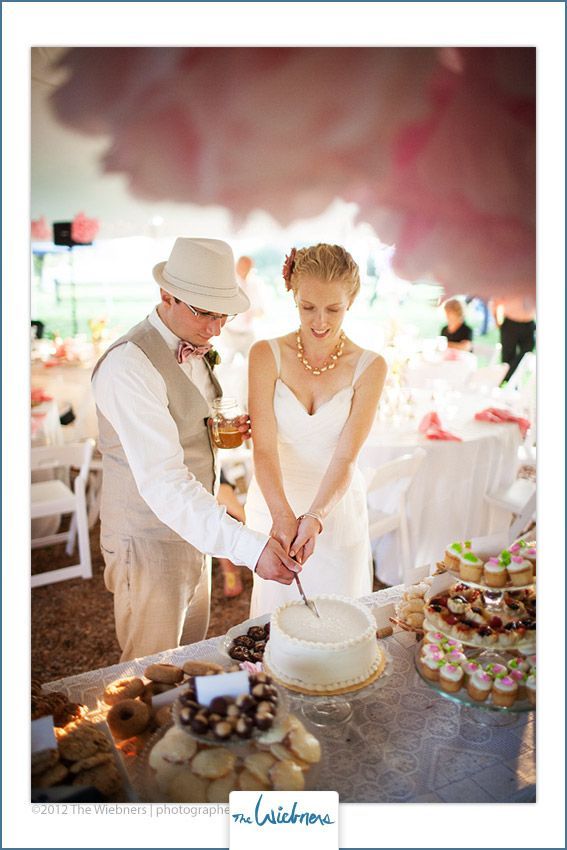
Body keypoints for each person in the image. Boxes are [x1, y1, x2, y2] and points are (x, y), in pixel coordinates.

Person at [91, 237, 300, 661]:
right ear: (166, 295)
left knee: (190, 656)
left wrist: (220, 433)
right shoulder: (128, 366)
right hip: (147, 539)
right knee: (149, 669)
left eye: (223, 315)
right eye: (204, 313)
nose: (216, 329)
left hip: (197, 527)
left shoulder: (199, 346)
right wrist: (250, 548)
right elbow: (164, 481)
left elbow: (185, 422)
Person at [245, 243, 387, 617]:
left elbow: (346, 456)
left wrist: (315, 517)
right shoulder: (264, 355)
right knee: (276, 626)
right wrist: (282, 515)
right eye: (308, 307)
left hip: (334, 512)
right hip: (274, 506)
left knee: (338, 623)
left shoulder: (370, 367)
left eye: (333, 309)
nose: (320, 321)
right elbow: (263, 449)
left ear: (351, 301)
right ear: (293, 296)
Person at [220, 255, 265, 363]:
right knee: (226, 363)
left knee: (252, 362)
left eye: (248, 267)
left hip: (247, 333)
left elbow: (260, 310)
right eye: (242, 266)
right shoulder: (229, 282)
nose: (244, 270)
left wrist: (253, 312)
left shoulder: (254, 284)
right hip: (230, 332)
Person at [490, 295, 536, 381]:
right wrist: (497, 320)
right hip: (511, 322)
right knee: (508, 355)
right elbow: (495, 301)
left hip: (528, 323)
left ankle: (505, 377)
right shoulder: (512, 285)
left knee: (526, 353)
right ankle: (507, 381)